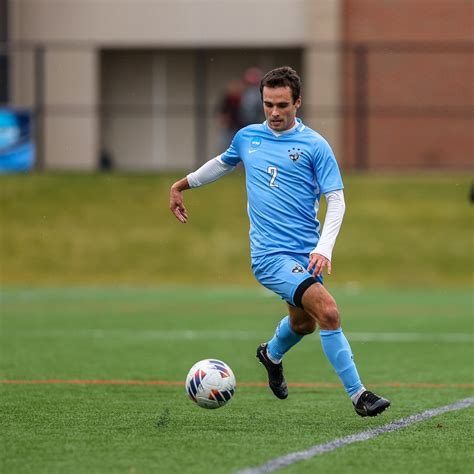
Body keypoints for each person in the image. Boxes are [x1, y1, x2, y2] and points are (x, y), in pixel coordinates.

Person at [170, 66, 390, 417]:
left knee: (304, 323)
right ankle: (359, 395)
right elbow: (222, 163)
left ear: (297, 103)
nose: (274, 112)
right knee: (329, 312)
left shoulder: (315, 145)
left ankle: (270, 355)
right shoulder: (247, 137)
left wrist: (322, 248)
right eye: (268, 104)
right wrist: (182, 185)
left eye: (282, 105)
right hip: (270, 256)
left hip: (307, 253)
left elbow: (337, 200)